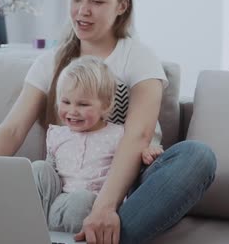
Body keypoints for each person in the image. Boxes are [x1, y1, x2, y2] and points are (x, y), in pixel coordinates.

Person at [0, 0, 217, 244]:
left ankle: (98, 232)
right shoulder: (50, 62)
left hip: (126, 186)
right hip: (60, 186)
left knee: (197, 157)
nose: (83, 10)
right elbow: (12, 130)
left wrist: (104, 207)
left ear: (121, 7)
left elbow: (138, 134)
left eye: (97, 1)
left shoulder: (137, 57)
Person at [35, 55, 163, 233]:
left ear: (106, 105)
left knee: (80, 200)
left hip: (90, 206)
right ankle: (33, 229)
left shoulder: (118, 135)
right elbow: (49, 176)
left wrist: (150, 152)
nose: (72, 111)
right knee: (39, 168)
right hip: (56, 203)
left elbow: (132, 163)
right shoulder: (57, 134)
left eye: (83, 104)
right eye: (65, 102)